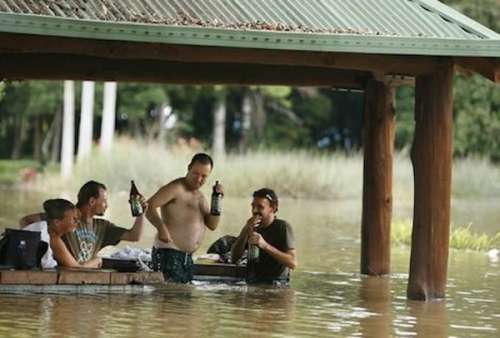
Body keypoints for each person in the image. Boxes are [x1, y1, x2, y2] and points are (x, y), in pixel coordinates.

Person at [19, 180, 147, 264]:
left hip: (83, 274)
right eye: (104, 201)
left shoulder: (103, 227)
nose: (106, 205)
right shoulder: (65, 217)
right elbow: (26, 221)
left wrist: (141, 213)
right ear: (92, 201)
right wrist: (40, 252)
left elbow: (134, 236)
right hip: (65, 273)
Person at [146, 153, 223, 283]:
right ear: (189, 168)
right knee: (169, 298)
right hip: (169, 254)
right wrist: (161, 228)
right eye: (195, 173)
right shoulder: (176, 188)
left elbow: (212, 225)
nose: (198, 179)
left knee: (183, 300)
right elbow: (149, 206)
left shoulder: (201, 197)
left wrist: (218, 200)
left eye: (204, 176)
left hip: (187, 258)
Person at [231, 188, 297, 284]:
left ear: (273, 208)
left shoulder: (282, 227)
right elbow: (234, 258)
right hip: (251, 282)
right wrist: (245, 231)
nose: (254, 210)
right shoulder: (251, 226)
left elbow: (293, 263)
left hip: (276, 284)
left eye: (260, 207)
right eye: (253, 206)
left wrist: (264, 245)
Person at [43, 198, 102, 268]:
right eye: (74, 219)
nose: (77, 222)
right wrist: (97, 260)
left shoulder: (51, 232)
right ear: (57, 222)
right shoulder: (53, 238)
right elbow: (76, 268)